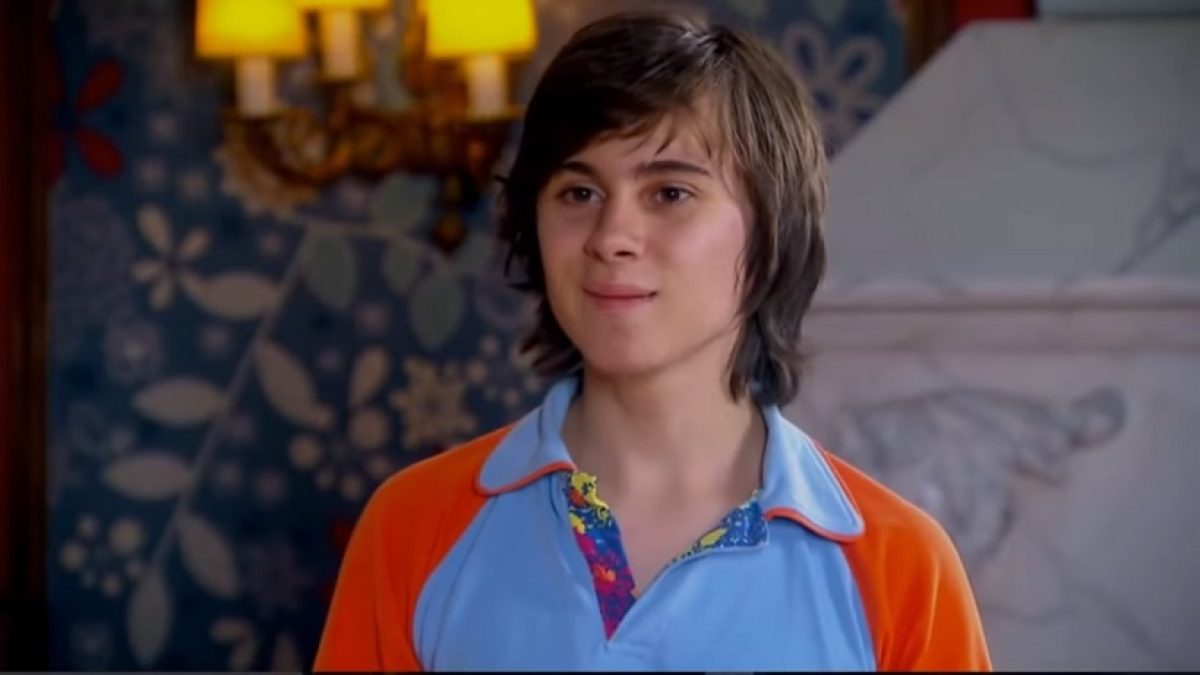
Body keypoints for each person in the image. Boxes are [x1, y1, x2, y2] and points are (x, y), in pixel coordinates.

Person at [314, 9, 991, 672]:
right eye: (579, 193)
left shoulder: (900, 567)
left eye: (669, 192)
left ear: (771, 229)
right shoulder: (414, 526)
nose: (612, 237)